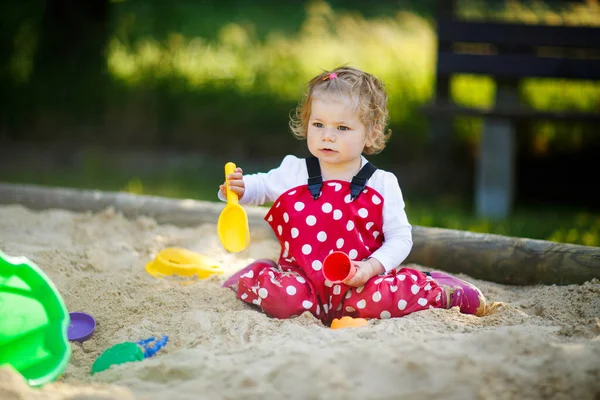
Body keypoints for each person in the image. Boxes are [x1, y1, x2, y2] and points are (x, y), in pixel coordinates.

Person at [218, 66, 487, 325]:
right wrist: (240, 189)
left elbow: (401, 238)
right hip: (302, 283)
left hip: (361, 284)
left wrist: (371, 267)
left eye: (342, 128)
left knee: (383, 300)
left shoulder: (381, 183)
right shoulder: (294, 171)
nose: (327, 136)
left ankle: (441, 291)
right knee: (283, 301)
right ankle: (256, 275)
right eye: (319, 124)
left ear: (370, 133)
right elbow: (261, 187)